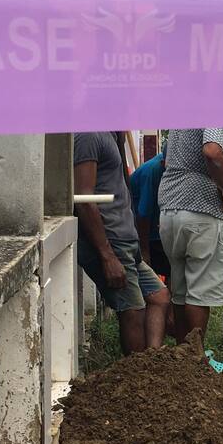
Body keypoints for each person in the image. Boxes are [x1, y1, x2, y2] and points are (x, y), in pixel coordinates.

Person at [74, 131, 171, 354]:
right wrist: (106, 255)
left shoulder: (110, 134)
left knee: (160, 296)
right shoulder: (88, 135)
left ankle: (152, 363)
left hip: (126, 240)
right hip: (111, 242)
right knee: (133, 310)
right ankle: (135, 376)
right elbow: (84, 199)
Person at [158, 128, 223, 344]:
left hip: (170, 209)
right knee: (200, 292)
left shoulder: (184, 106)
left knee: (181, 291)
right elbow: (212, 151)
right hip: (201, 209)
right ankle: (196, 360)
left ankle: (184, 361)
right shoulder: (218, 100)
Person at [129, 145, 169, 280]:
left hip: (155, 228)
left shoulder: (166, 163)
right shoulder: (153, 171)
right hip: (141, 232)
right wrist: (144, 252)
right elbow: (143, 214)